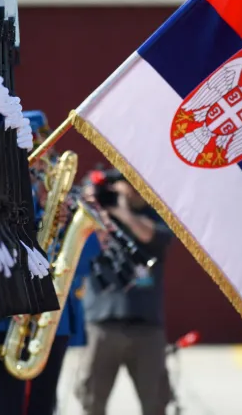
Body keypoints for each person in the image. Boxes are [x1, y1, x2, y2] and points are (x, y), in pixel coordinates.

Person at [0, 110, 98, 415]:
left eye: (44, 146)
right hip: (9, 313)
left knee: (43, 403)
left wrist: (62, 216)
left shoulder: (59, 188)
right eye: (34, 146)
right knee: (3, 402)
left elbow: (86, 253)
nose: (42, 157)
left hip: (52, 317)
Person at [76, 170, 174, 415]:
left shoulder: (154, 215)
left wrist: (122, 211)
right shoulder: (94, 218)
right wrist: (93, 203)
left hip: (146, 327)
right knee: (92, 401)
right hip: (102, 324)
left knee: (155, 403)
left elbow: (150, 234)